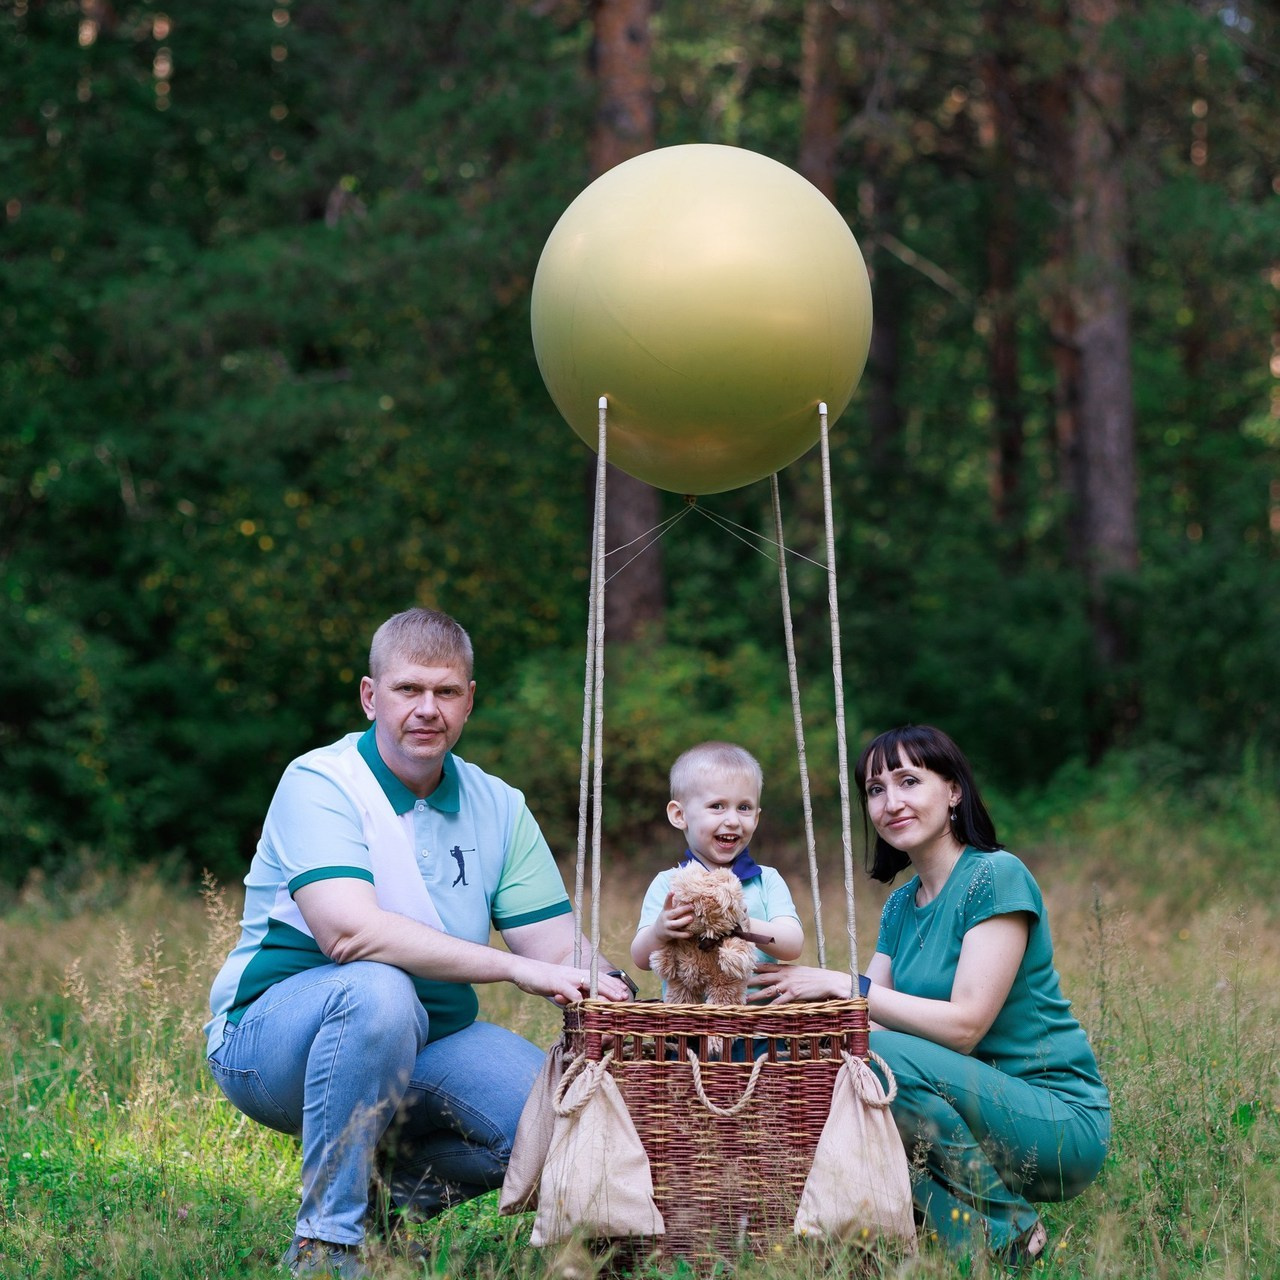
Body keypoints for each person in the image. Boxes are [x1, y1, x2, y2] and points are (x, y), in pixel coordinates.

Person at [204, 608, 634, 1278]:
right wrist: (514, 970)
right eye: (409, 690)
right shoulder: (321, 781)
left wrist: (620, 989)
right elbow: (349, 933)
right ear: (371, 696)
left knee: (561, 1122)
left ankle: (384, 1202)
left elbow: (555, 946)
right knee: (380, 992)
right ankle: (327, 1246)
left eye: (447, 691)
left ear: (469, 701)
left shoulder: (498, 805)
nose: (428, 709)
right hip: (274, 1045)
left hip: (430, 1043)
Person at [751, 724, 1110, 1262]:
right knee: (834, 1064)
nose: (890, 801)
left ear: (953, 791)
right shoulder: (899, 906)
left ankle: (1010, 1223)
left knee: (866, 1059)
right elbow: (865, 1025)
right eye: (875, 789)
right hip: (967, 1109)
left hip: (1054, 1122)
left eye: (908, 781)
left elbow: (965, 1026)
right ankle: (979, 1250)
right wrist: (785, 1027)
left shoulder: (995, 876)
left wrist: (841, 984)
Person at [630, 741, 805, 986]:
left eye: (744, 808)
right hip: (687, 1019)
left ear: (756, 818)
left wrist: (740, 922)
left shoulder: (766, 880)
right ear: (680, 815)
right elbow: (640, 959)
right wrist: (659, 931)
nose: (733, 820)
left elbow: (792, 945)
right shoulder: (668, 884)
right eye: (717, 806)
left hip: (758, 1019)